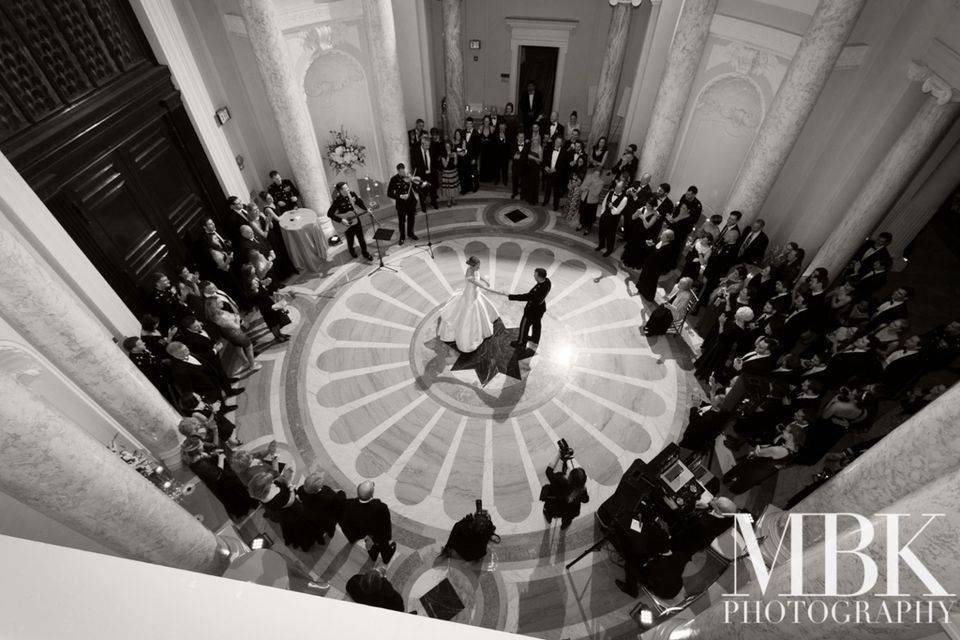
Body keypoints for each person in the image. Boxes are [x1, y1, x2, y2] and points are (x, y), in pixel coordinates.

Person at [437, 256, 501, 353]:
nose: (479, 268)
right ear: (472, 265)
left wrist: (485, 280)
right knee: (468, 314)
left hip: (476, 293)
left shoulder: (474, 269)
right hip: (470, 295)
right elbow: (476, 283)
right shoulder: (469, 273)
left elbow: (478, 275)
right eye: (477, 266)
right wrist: (486, 288)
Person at [180, 437, 255, 519]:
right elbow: (218, 475)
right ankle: (245, 510)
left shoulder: (194, 460)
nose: (203, 445)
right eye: (201, 444)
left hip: (222, 483)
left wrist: (213, 454)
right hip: (224, 485)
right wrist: (221, 459)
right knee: (236, 496)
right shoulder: (201, 465)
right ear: (197, 450)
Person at [247, 471, 317, 551]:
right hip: (291, 512)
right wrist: (291, 488)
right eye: (270, 482)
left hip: (281, 514)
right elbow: (290, 501)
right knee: (298, 526)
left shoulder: (259, 494)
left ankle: (289, 539)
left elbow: (276, 481)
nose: (273, 482)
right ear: (265, 488)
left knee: (287, 527)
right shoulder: (277, 497)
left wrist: (283, 477)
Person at [339, 481, 397, 564]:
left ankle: (373, 555)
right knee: (383, 545)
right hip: (378, 534)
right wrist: (388, 537)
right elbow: (386, 524)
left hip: (363, 532)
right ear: (372, 494)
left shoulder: (348, 504)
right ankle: (386, 557)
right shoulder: (381, 507)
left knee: (369, 544)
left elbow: (346, 521)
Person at [166, 341, 241, 403]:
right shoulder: (179, 371)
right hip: (206, 388)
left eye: (186, 347)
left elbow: (202, 357)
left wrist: (214, 350)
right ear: (176, 355)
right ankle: (223, 409)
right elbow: (187, 388)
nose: (188, 350)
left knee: (218, 391)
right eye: (184, 351)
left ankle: (229, 394)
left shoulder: (187, 352)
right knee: (217, 400)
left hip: (212, 377)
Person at [203, 289, 258, 373]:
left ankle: (245, 362)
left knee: (238, 347)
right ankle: (252, 365)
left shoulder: (217, 314)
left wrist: (233, 317)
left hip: (229, 335)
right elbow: (236, 326)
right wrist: (237, 319)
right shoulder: (221, 317)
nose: (222, 302)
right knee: (249, 347)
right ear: (215, 306)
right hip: (236, 334)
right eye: (219, 302)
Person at [694, 306, 754, 380]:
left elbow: (722, 336)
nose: (735, 314)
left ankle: (704, 374)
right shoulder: (739, 323)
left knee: (713, 361)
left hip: (721, 347)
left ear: (742, 318)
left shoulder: (737, 329)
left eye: (738, 314)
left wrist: (721, 323)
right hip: (722, 346)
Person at [540, 447, 588, 529]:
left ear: (569, 477)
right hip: (571, 512)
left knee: (548, 507)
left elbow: (548, 471)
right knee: (567, 519)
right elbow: (585, 500)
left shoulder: (560, 480)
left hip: (557, 509)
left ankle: (549, 518)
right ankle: (564, 525)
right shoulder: (582, 491)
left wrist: (559, 453)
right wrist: (584, 488)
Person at [296, 468, 346, 545]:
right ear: (320, 487)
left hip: (311, 516)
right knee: (330, 527)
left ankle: (321, 537)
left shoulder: (301, 489)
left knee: (318, 529)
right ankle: (330, 534)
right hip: (326, 519)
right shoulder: (327, 494)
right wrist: (341, 492)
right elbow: (339, 502)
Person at [507, 267, 552, 352]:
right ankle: (535, 339)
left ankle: (521, 343)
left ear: (539, 277)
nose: (533, 276)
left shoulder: (538, 290)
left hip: (531, 311)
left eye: (535, 274)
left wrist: (510, 296)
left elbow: (526, 296)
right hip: (540, 309)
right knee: (537, 325)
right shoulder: (547, 282)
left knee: (524, 326)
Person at [327, 182, 373, 261]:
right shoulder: (338, 200)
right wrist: (341, 220)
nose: (348, 189)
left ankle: (365, 253)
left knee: (361, 238)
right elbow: (329, 213)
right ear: (341, 191)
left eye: (347, 187)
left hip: (355, 220)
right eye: (345, 188)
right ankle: (352, 252)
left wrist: (366, 209)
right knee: (350, 240)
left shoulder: (352, 194)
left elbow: (359, 202)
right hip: (346, 224)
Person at [241, 269, 290, 343]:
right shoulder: (252, 289)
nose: (255, 272)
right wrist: (264, 290)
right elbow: (259, 297)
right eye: (253, 271)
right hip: (265, 306)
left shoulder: (255, 281)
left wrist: (268, 289)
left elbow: (263, 290)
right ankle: (277, 337)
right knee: (272, 322)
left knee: (275, 319)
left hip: (268, 302)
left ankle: (280, 334)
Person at [123, 336, 174, 402]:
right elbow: (153, 371)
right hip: (161, 380)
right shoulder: (138, 362)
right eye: (141, 344)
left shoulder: (142, 349)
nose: (144, 343)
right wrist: (162, 361)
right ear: (134, 349)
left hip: (165, 370)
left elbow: (154, 352)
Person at [636, 229, 674, 303]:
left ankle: (648, 296)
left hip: (656, 268)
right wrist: (650, 245)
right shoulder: (659, 241)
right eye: (662, 234)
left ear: (668, 238)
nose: (661, 235)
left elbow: (660, 257)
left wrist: (652, 246)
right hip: (649, 263)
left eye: (663, 235)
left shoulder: (668, 249)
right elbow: (653, 251)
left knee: (652, 281)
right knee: (644, 276)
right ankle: (641, 289)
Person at [387, 163, 421, 245]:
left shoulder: (408, 177)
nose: (403, 173)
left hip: (410, 202)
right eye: (401, 171)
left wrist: (414, 182)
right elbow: (389, 193)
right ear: (398, 171)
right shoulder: (394, 179)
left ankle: (410, 233)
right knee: (401, 221)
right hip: (401, 204)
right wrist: (400, 196)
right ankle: (402, 237)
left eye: (404, 170)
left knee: (411, 219)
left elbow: (415, 189)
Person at [596, 179, 629, 257]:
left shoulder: (624, 199)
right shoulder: (610, 192)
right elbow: (604, 202)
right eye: (616, 187)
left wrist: (611, 207)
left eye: (618, 188)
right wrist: (602, 212)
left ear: (623, 189)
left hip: (613, 219)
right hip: (604, 215)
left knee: (610, 235)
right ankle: (601, 245)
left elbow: (617, 211)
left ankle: (609, 250)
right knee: (601, 231)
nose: (616, 189)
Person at [412, 137, 438, 209]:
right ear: (422, 144)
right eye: (427, 145)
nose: (428, 147)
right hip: (422, 175)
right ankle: (423, 206)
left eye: (429, 145)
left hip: (431, 174)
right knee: (423, 191)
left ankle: (434, 203)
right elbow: (415, 164)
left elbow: (434, 161)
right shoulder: (416, 151)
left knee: (433, 190)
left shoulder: (431, 150)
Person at [577, 168, 604, 235]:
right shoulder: (588, 177)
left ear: (600, 175)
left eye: (597, 174)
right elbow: (581, 187)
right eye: (594, 173)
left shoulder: (601, 182)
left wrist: (590, 187)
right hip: (584, 198)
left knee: (590, 215)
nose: (595, 175)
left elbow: (596, 193)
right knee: (582, 212)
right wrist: (584, 188)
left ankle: (588, 228)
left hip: (592, 201)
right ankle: (581, 224)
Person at [541, 134, 564, 211]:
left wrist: (556, 169)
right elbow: (544, 159)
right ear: (554, 142)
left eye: (559, 142)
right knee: (547, 189)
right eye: (556, 141)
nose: (557, 143)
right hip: (549, 173)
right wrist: (545, 167)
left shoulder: (564, 152)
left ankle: (555, 205)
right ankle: (545, 201)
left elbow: (564, 165)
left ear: (561, 143)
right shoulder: (549, 149)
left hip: (557, 174)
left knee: (556, 191)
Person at [562, 155, 587, 223]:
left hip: (577, 188)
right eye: (579, 161)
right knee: (568, 201)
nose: (579, 163)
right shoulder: (575, 167)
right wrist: (569, 183)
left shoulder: (584, 170)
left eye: (581, 162)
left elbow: (580, 181)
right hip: (571, 186)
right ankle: (566, 215)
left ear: (584, 162)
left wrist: (572, 185)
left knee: (574, 203)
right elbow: (570, 176)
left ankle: (570, 218)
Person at [523, 124, 543, 205]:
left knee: (534, 184)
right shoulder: (531, 146)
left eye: (536, 140)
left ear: (538, 140)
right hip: (530, 167)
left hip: (535, 169)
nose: (534, 141)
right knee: (529, 183)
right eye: (533, 140)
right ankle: (528, 198)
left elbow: (540, 160)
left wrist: (532, 157)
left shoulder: (540, 149)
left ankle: (533, 200)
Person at [439, 141, 460, 207]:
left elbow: (455, 164)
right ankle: (448, 201)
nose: (448, 148)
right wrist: (448, 157)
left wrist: (455, 157)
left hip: (453, 172)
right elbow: (445, 165)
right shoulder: (443, 154)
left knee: (453, 187)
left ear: (451, 146)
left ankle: (453, 199)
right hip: (446, 173)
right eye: (446, 146)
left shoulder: (453, 152)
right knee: (448, 188)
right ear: (445, 147)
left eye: (449, 146)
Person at [478, 114, 497, 183]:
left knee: (489, 163)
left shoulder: (492, 128)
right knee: (483, 163)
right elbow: (478, 138)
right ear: (483, 121)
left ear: (489, 122)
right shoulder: (480, 128)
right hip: (483, 149)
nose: (486, 122)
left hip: (490, 150)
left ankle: (489, 178)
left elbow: (494, 140)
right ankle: (482, 178)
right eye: (485, 121)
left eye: (488, 121)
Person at [509, 131, 527, 199]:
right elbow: (510, 154)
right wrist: (513, 156)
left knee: (523, 181)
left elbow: (527, 155)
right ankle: (514, 192)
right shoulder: (513, 144)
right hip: (515, 166)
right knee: (515, 181)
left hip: (524, 166)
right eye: (519, 137)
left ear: (524, 137)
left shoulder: (527, 145)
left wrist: (520, 157)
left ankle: (522, 194)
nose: (521, 138)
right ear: (517, 137)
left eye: (522, 137)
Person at [494, 121, 511, 186]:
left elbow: (509, 145)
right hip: (497, 155)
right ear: (499, 127)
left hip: (505, 155)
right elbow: (494, 144)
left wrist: (505, 139)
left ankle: (505, 180)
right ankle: (497, 179)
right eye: (501, 127)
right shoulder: (496, 134)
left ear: (505, 127)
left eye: (503, 127)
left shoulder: (508, 134)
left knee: (505, 169)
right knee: (497, 169)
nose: (502, 129)